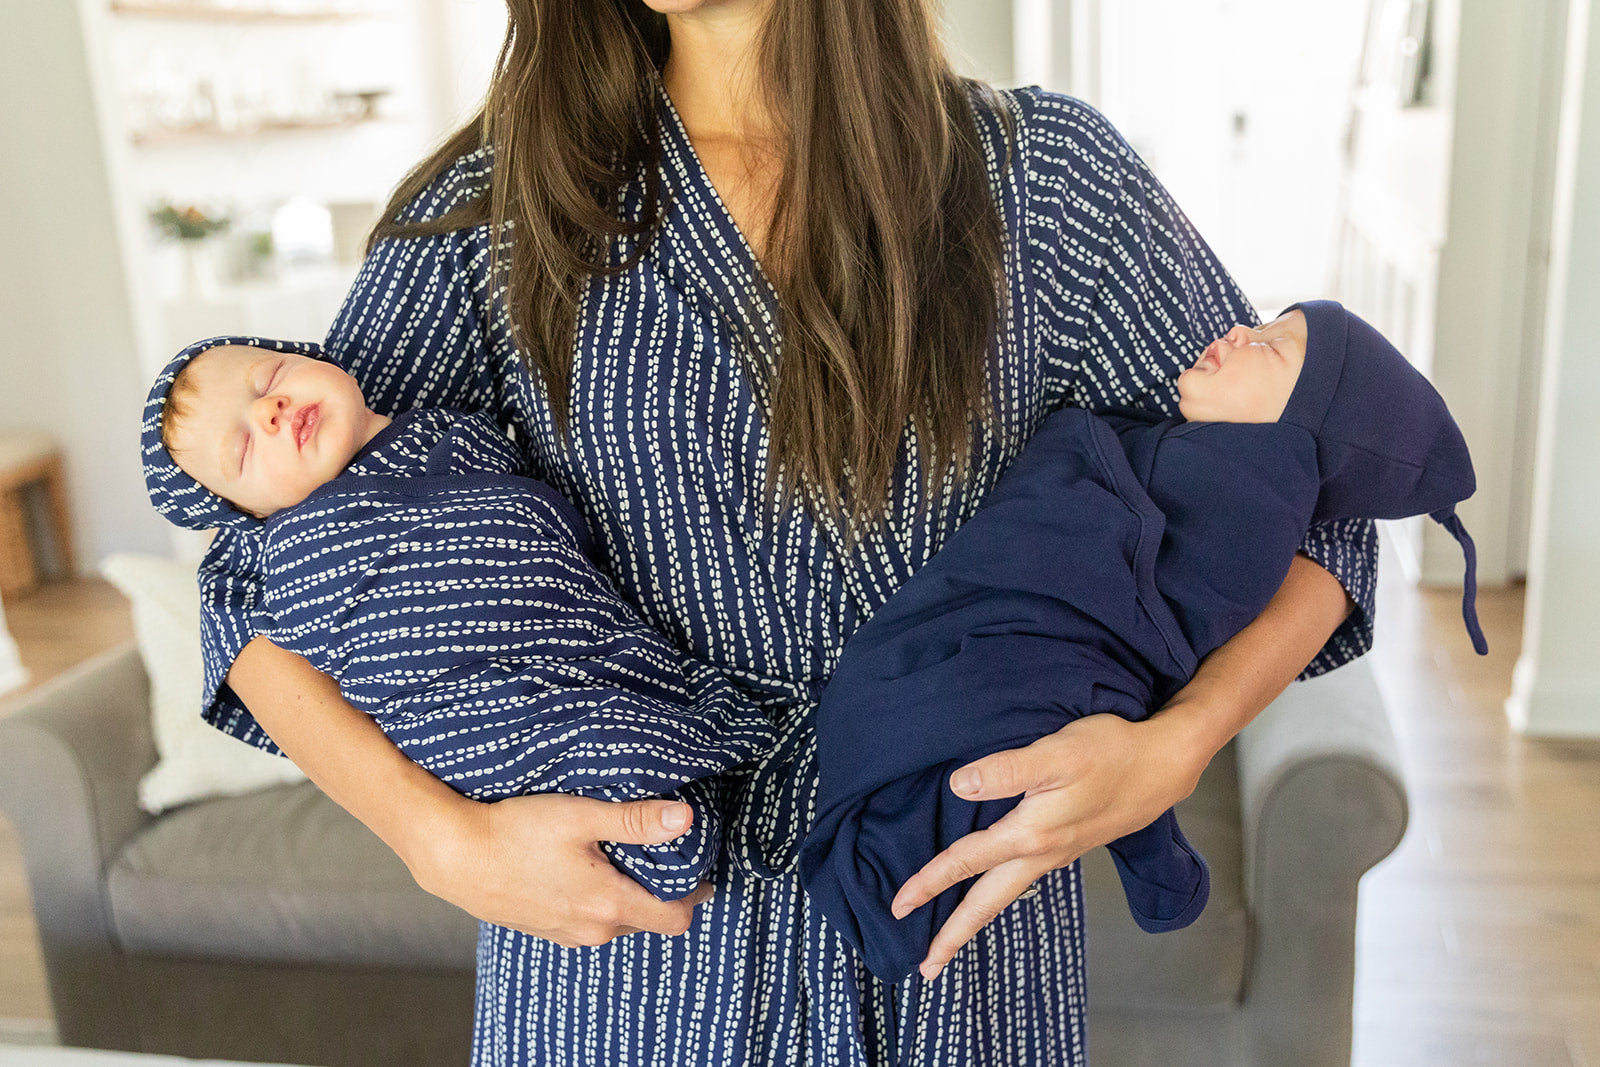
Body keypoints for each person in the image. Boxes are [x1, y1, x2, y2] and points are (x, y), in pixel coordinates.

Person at [162, 1, 1380, 1062]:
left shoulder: (1041, 181)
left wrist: (1177, 744)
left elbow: (1318, 486)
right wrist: (434, 838)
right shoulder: (497, 212)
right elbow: (248, 584)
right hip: (627, 948)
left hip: (952, 928)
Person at [801, 300, 1485, 982]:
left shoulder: (1258, 503)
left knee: (978, 732)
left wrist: (1175, 745)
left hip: (1044, 657)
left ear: (1309, 436)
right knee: (899, 710)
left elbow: (1137, 615)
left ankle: (1125, 859)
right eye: (1266, 326)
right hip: (985, 624)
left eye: (1272, 348)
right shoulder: (1203, 446)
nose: (1239, 331)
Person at [141, 336, 777, 900]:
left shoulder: (449, 431)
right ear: (247, 515)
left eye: (269, 376)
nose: (268, 410)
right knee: (613, 757)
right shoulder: (300, 551)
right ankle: (640, 805)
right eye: (243, 447)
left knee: (661, 714)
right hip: (470, 703)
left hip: (578, 636)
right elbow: (258, 616)